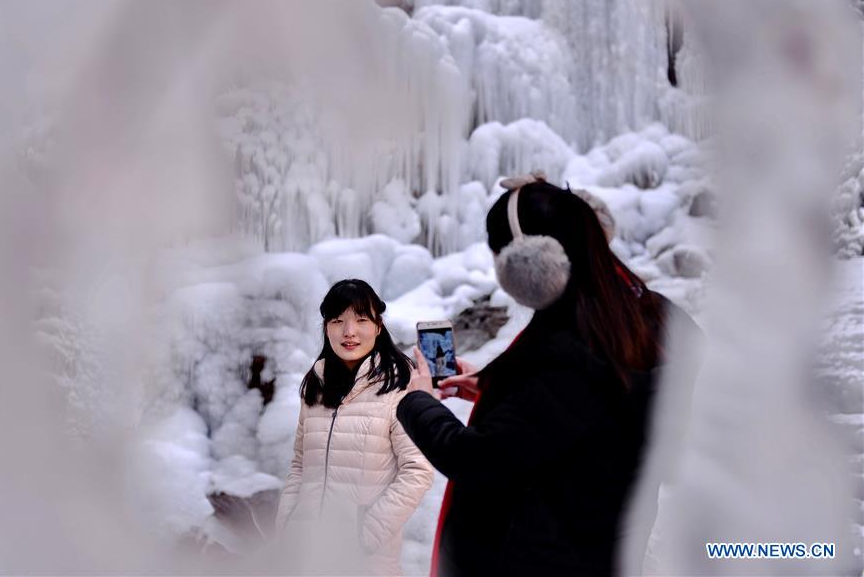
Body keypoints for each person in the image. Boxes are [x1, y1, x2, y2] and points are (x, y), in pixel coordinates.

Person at [396, 173, 702, 576]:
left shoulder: (569, 353)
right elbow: (570, 420)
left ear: (531, 265)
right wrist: (493, 386)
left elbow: (474, 460)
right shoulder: (643, 314)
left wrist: (416, 400)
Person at [274, 279, 434, 575]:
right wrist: (288, 523)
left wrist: (364, 536)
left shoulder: (400, 385)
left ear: (378, 326)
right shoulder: (316, 385)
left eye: (361, 319)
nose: (349, 332)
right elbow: (299, 464)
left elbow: (418, 470)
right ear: (326, 328)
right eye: (338, 321)